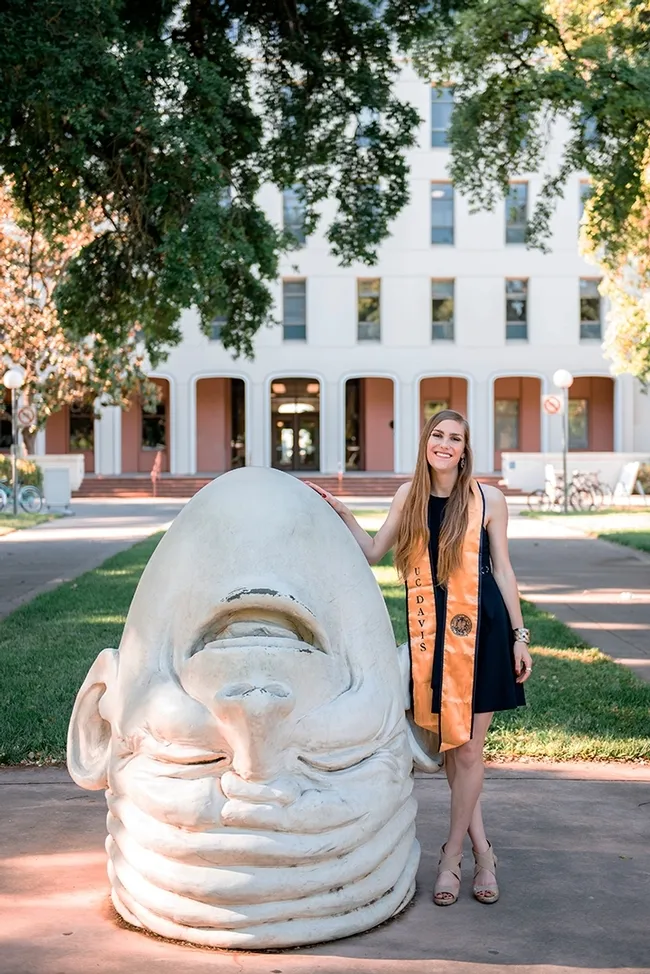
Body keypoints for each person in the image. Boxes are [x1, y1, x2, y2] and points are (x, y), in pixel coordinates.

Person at [307, 409, 532, 907]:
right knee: (453, 747)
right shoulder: (409, 497)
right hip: (433, 638)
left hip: (483, 635)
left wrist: (520, 635)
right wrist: (342, 512)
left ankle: (451, 856)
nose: (446, 444)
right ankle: (484, 852)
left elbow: (505, 571)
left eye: (456, 438)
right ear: (426, 442)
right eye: (438, 435)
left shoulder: (487, 499)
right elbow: (372, 551)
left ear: (466, 448)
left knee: (469, 749)